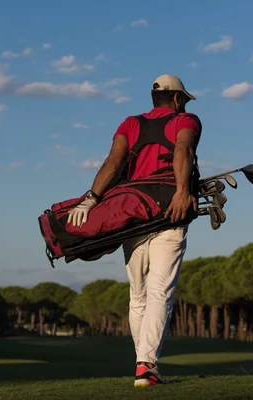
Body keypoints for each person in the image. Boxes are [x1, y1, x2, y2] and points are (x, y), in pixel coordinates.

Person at [66, 74, 202, 387]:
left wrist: (91, 199)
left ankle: (143, 366)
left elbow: (114, 162)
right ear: (178, 99)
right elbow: (183, 151)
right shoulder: (187, 120)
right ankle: (146, 366)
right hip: (170, 212)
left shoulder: (130, 123)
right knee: (159, 292)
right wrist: (183, 190)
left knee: (138, 295)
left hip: (132, 214)